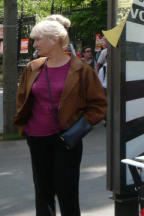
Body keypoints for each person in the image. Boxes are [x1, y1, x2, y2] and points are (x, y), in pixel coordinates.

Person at [13, 15, 107, 216]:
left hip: (66, 140)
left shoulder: (81, 70)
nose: (34, 44)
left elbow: (98, 105)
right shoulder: (33, 67)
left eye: (38, 39)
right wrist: (25, 128)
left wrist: (78, 129)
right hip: (36, 138)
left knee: (67, 193)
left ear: (54, 39)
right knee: (43, 193)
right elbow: (22, 98)